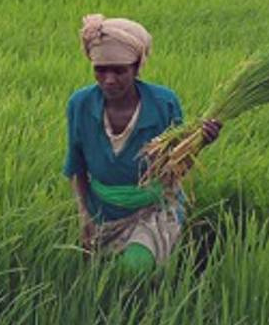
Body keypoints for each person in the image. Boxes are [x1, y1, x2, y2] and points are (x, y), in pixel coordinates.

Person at [63, 14, 221, 274]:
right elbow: (76, 165)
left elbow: (176, 169)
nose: (109, 79)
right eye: (100, 70)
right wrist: (84, 216)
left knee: (134, 270)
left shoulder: (163, 104)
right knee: (98, 276)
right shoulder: (80, 105)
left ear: (137, 68)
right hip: (102, 210)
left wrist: (200, 142)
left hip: (153, 209)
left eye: (119, 70)